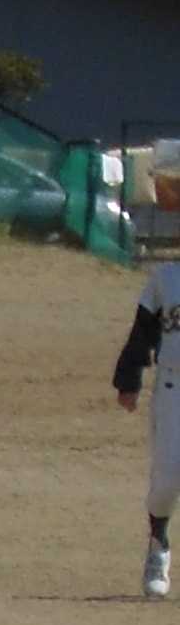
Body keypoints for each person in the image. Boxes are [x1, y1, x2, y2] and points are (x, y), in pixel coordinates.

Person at [112, 142, 180, 599]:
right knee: (167, 481)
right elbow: (143, 331)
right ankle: (159, 541)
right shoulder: (166, 278)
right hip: (175, 391)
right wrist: (129, 377)